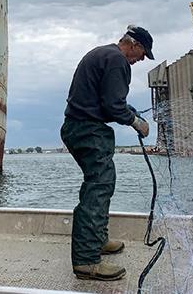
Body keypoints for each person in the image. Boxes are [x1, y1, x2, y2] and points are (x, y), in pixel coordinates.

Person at [61, 25, 153, 281]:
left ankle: (98, 240)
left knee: (99, 183)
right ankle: (87, 261)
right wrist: (136, 123)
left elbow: (110, 100)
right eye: (143, 53)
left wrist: (131, 112)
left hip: (77, 128)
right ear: (132, 45)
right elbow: (113, 106)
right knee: (99, 186)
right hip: (87, 131)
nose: (142, 59)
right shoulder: (117, 61)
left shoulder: (104, 54)